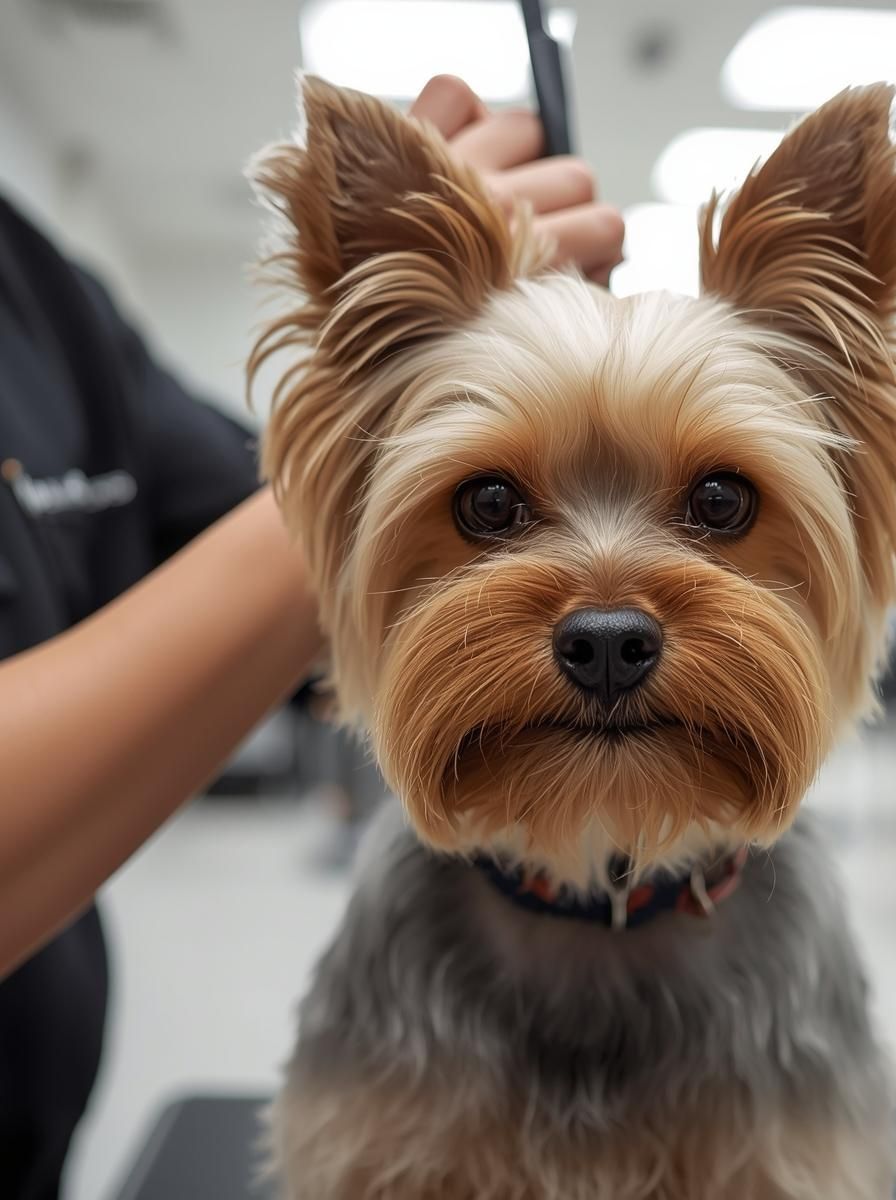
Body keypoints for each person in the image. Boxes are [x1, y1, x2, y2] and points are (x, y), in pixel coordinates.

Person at [0, 73, 623, 1198]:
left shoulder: (43, 292)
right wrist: (385, 397)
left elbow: (316, 539)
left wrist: (451, 371)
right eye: (493, 508)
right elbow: (348, 532)